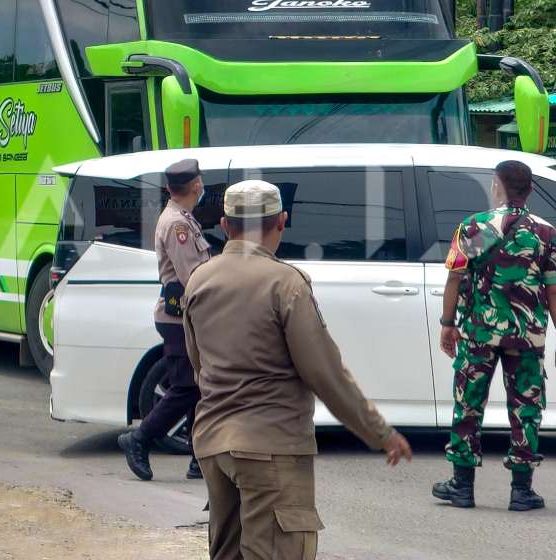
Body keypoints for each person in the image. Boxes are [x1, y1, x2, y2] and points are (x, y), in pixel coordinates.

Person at [183, 180, 411, 559]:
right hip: (271, 446)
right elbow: (325, 374)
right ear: (282, 222)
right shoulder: (286, 283)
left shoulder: (200, 279)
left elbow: (198, 364)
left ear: (224, 225)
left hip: (213, 444)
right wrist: (380, 433)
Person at [433, 160, 551, 512]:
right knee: (526, 408)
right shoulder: (545, 233)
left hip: (479, 334)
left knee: (469, 403)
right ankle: (521, 491)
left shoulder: (476, 227)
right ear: (529, 190)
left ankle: (462, 486)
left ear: (496, 186)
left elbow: (454, 278)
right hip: (527, 338)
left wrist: (447, 322)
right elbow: (554, 291)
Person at [119, 158, 209, 481]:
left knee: (195, 386)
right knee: (186, 386)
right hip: (179, 317)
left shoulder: (182, 218)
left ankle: (199, 458)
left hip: (184, 314)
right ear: (196, 185)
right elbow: (193, 275)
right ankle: (139, 439)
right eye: (201, 181)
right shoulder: (178, 225)